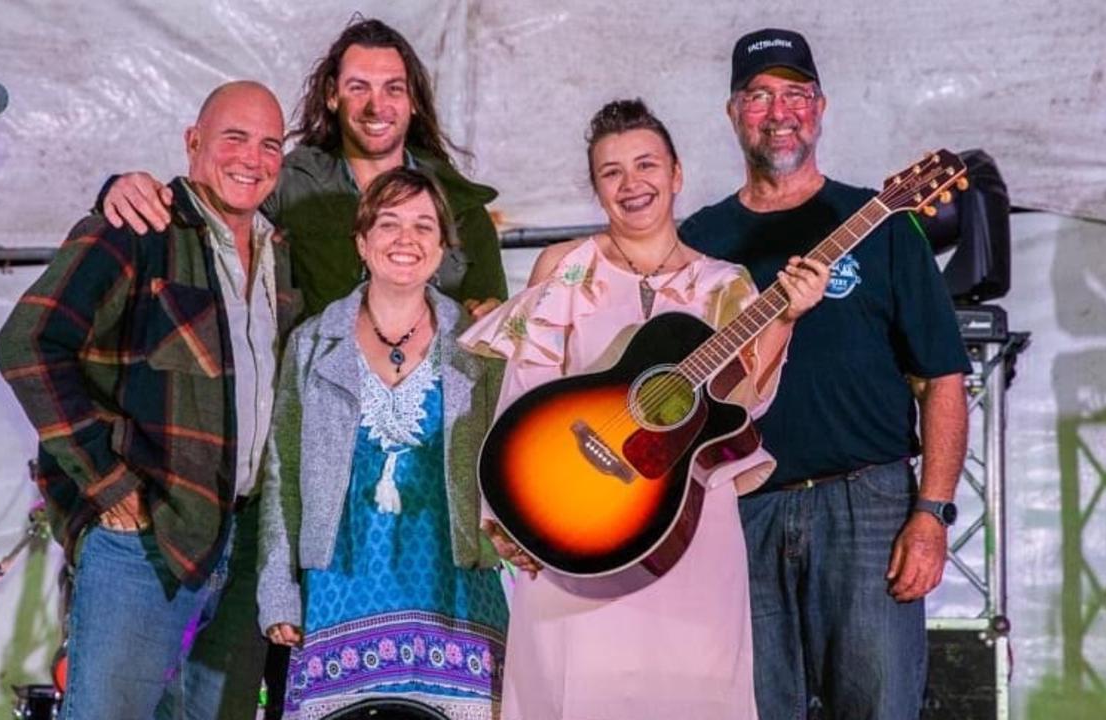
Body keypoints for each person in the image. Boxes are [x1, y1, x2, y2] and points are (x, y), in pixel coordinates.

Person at [459, 99, 829, 720]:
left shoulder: (725, 285)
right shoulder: (566, 267)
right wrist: (508, 512)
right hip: (573, 520)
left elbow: (747, 403)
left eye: (646, 165)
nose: (632, 184)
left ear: (677, 174)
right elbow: (523, 394)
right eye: (611, 172)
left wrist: (786, 316)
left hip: (685, 528)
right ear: (597, 187)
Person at [680, 28, 971, 719]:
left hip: (865, 504)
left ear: (821, 107)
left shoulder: (881, 222)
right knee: (750, 707)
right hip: (741, 508)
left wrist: (929, 514)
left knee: (877, 706)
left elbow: (943, 380)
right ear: (731, 113)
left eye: (795, 94)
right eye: (758, 96)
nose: (778, 112)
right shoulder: (697, 242)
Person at [0, 81, 300, 720]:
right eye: (234, 138)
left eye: (270, 144)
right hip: (145, 540)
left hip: (243, 543)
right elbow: (27, 344)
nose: (253, 157)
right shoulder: (138, 228)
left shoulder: (279, 252)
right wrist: (106, 481)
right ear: (193, 143)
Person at [257, 167, 508, 719]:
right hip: (342, 587)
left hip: (457, 589)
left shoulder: (480, 345)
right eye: (389, 223)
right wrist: (278, 588)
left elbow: (513, 461)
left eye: (423, 225)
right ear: (362, 242)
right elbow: (283, 472)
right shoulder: (312, 342)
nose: (406, 239)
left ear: (443, 247)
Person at [99, 17, 507, 320]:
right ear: (332, 96)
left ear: (413, 100)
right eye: (358, 87)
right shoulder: (284, 185)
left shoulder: (462, 206)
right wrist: (119, 191)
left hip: (433, 420)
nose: (376, 106)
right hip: (318, 415)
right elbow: (201, 214)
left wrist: (494, 320)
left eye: (393, 89)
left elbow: (496, 326)